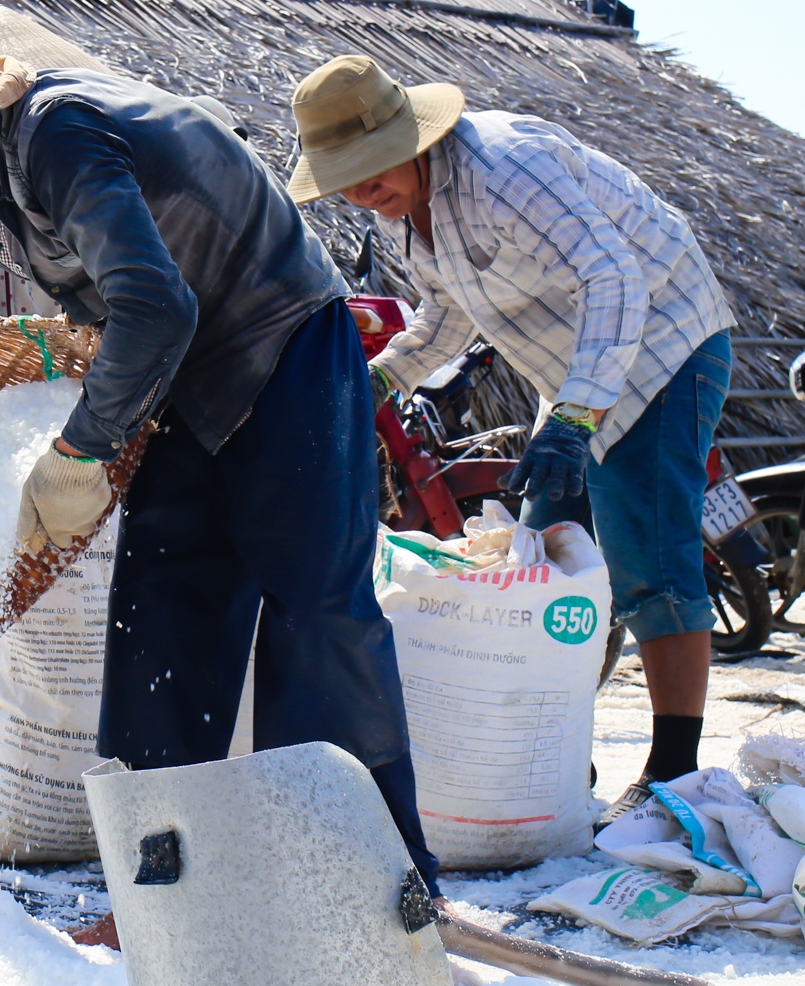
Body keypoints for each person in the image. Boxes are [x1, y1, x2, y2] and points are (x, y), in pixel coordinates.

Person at [0, 12, 440, 946]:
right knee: (161, 616)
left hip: (277, 341)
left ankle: (369, 891)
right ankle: (162, 895)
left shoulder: (58, 135)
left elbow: (155, 301)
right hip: (167, 369)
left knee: (315, 610)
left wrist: (80, 454)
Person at [287, 54, 734, 822]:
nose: (365, 190)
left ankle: (674, 772)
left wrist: (576, 418)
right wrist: (378, 384)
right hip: (574, 371)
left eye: (374, 167)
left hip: (663, 343)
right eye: (348, 177)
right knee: (540, 556)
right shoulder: (411, 214)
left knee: (647, 553)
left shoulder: (506, 168)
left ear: (414, 136)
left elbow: (615, 281)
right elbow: (445, 317)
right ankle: (558, 746)